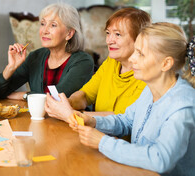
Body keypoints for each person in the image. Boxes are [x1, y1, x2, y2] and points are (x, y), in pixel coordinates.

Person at [71, 23, 195, 175]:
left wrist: (102, 142)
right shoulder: (150, 89)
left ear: (166, 63)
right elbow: (128, 120)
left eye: (140, 54)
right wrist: (94, 121)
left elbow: (160, 159)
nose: (132, 58)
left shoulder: (183, 106)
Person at [45, 8, 151, 121]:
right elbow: (86, 94)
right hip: (92, 131)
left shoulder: (146, 75)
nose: (109, 41)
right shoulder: (111, 62)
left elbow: (123, 119)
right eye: (108, 33)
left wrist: (72, 114)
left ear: (139, 39)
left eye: (118, 34)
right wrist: (68, 103)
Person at [0, 2, 94, 100]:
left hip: (72, 119)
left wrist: (25, 95)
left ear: (69, 34)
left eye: (53, 25)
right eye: (43, 24)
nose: (44, 31)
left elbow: (57, 99)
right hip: (39, 119)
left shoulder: (83, 62)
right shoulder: (35, 57)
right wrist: (10, 68)